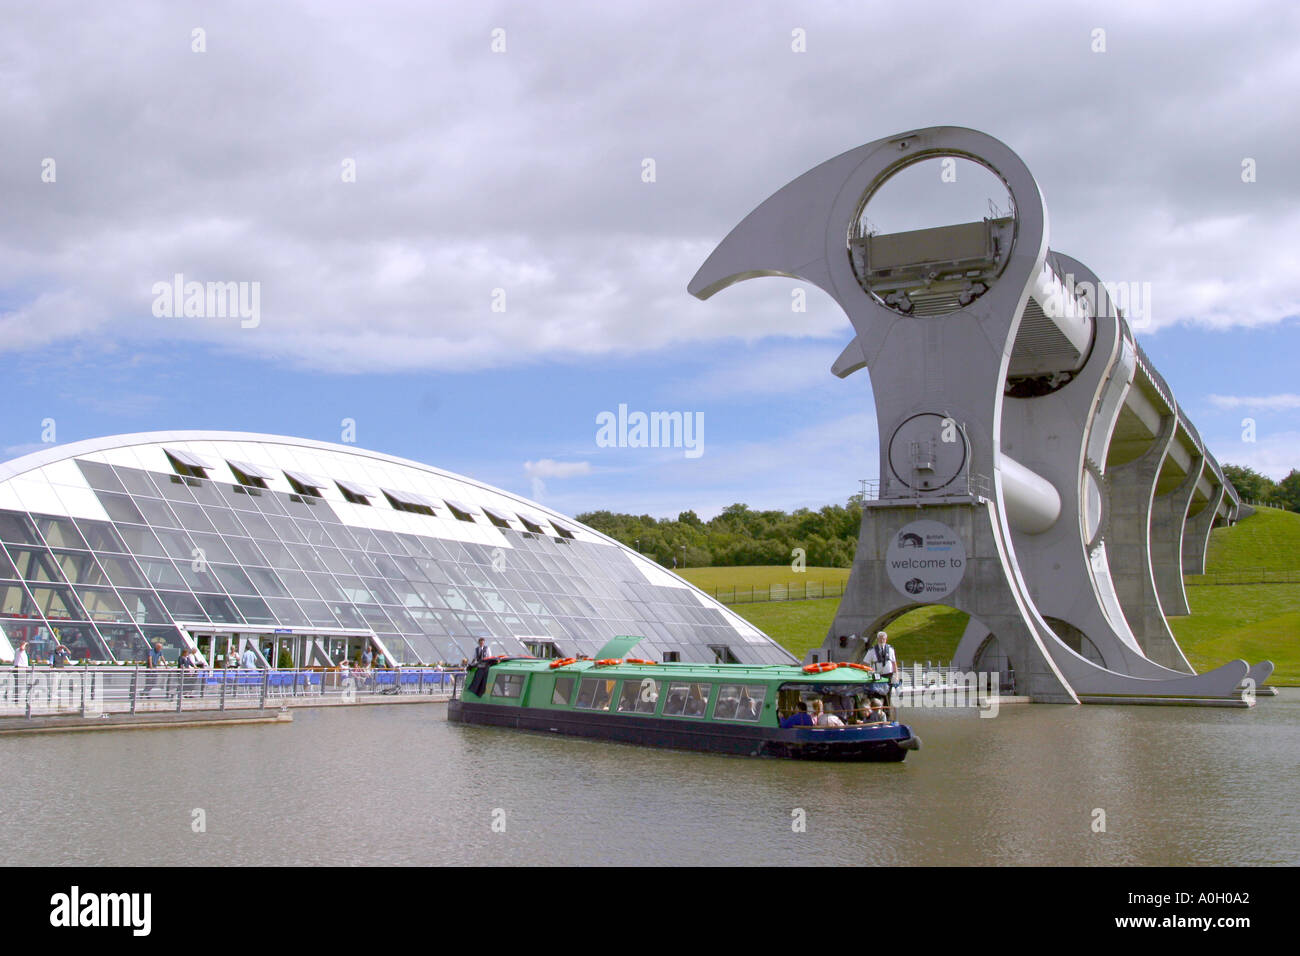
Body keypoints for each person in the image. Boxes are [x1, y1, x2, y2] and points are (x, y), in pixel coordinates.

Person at [867, 631, 899, 708]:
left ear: (886, 639)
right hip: (877, 675)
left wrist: (896, 675)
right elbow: (866, 662)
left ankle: (887, 714)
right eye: (880, 639)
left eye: (883, 639)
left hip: (888, 675)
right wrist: (869, 672)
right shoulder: (872, 650)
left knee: (887, 696)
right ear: (877, 639)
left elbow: (894, 663)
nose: (882, 641)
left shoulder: (890, 649)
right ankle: (876, 712)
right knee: (876, 695)